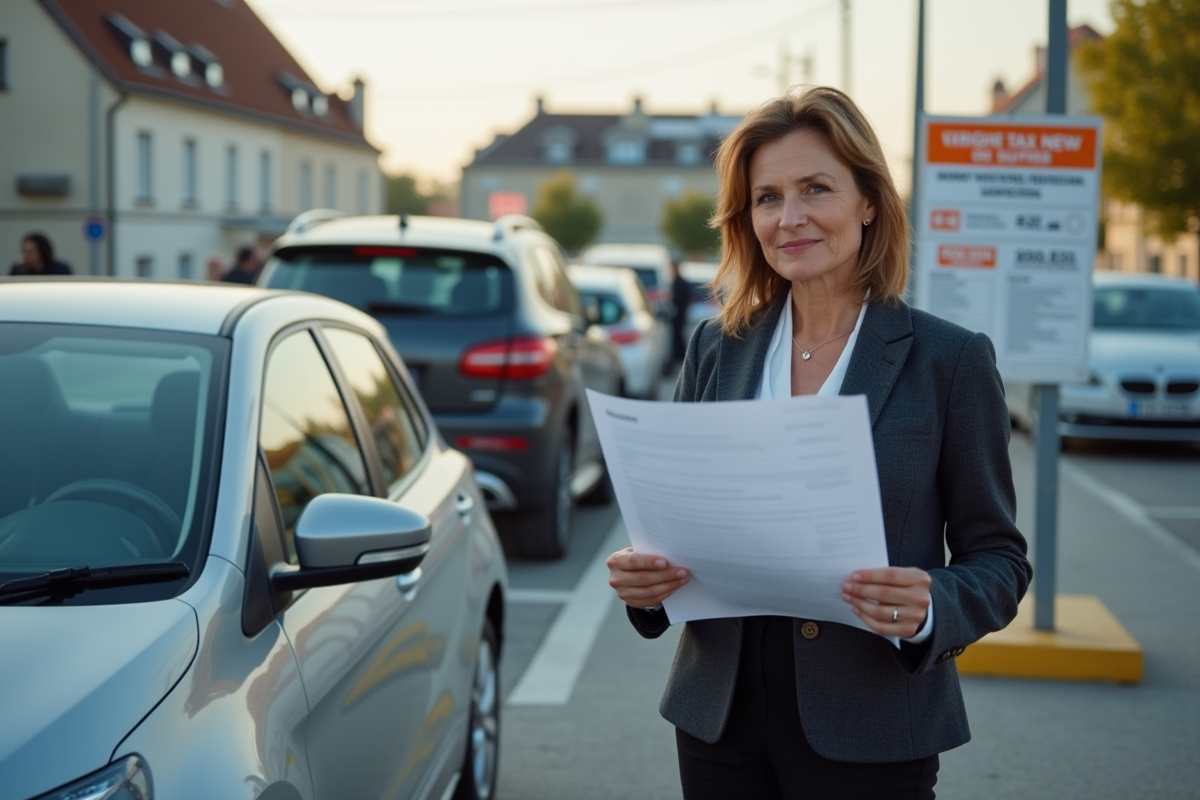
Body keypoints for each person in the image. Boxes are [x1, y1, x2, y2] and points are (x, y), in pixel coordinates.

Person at [605, 86, 1031, 800]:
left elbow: (1000, 560)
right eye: (767, 198)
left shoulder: (948, 360)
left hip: (873, 723)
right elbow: (674, 533)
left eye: (815, 189)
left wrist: (933, 603)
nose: (789, 217)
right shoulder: (717, 347)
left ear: (868, 200)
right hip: (719, 717)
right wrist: (643, 584)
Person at [669, 259, 692, 365]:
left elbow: (682, 299)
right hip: (678, 313)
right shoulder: (677, 281)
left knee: (678, 336)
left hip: (679, 314)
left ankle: (680, 357)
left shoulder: (680, 282)